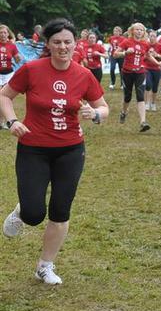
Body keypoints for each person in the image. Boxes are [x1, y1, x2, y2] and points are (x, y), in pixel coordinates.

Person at [0, 18, 109, 285]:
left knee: (61, 210)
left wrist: (95, 114)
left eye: (67, 42)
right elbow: (4, 95)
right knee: (34, 214)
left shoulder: (83, 75)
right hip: (33, 149)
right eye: (57, 42)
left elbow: (103, 107)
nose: (63, 47)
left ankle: (45, 266)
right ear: (47, 44)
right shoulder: (32, 69)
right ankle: (22, 211)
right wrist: (12, 121)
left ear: (75, 44)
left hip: (70, 150)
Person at [115, 22, 152, 131]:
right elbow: (115, 54)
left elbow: (148, 56)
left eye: (141, 30)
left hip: (140, 72)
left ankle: (143, 122)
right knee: (128, 96)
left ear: (144, 32)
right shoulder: (126, 41)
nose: (139, 32)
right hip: (127, 72)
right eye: (137, 29)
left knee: (140, 95)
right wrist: (125, 53)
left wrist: (158, 63)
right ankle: (123, 112)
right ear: (132, 31)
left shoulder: (146, 44)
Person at [143, 31, 161, 112]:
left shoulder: (159, 46)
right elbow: (142, 56)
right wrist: (148, 55)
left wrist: (157, 55)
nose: (152, 38)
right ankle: (146, 103)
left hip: (157, 69)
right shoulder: (145, 45)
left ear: (156, 37)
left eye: (154, 36)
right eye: (151, 36)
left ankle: (153, 103)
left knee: (155, 88)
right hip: (147, 68)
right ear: (148, 36)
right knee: (148, 85)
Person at [107, 25, 125, 90]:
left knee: (121, 70)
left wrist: (123, 53)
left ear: (120, 32)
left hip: (120, 56)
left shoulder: (123, 39)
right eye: (114, 31)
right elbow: (110, 46)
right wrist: (109, 53)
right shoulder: (111, 38)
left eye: (117, 31)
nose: (115, 32)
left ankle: (122, 84)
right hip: (113, 56)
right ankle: (112, 83)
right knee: (112, 69)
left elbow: (125, 46)